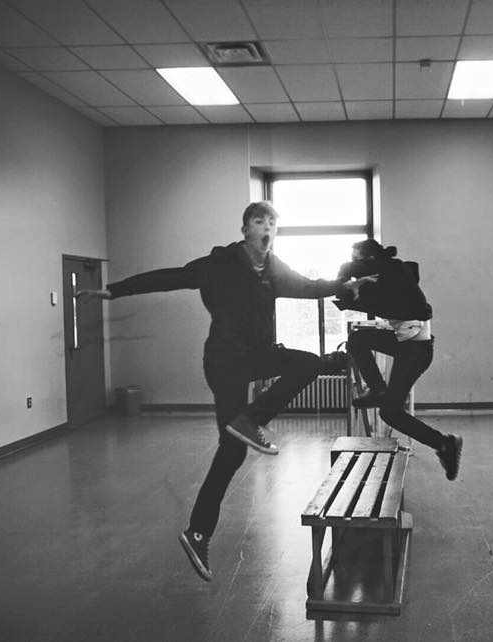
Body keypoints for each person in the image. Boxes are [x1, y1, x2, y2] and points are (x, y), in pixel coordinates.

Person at [76, 201, 375, 582]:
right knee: (232, 453)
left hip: (259, 356)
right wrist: (113, 291)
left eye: (272, 222)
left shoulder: (274, 269)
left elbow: (308, 287)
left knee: (308, 362)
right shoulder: (219, 264)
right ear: (246, 230)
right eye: (259, 221)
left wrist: (344, 286)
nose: (267, 227)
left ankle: (247, 422)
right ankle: (198, 532)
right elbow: (170, 277)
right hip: (224, 362)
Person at [334, 239, 463, 480]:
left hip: (416, 351)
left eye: (356, 258)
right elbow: (354, 293)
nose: (353, 264)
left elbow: (349, 274)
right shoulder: (387, 279)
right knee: (357, 340)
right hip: (406, 345)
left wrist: (349, 273)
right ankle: (377, 389)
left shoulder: (394, 270)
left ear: (370, 260)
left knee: (390, 413)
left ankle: (446, 444)